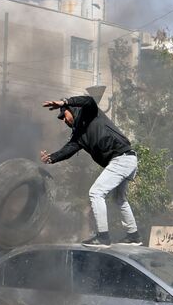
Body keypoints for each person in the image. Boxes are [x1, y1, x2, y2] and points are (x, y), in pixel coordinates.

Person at [40, 95, 141, 246]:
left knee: (96, 192)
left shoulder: (89, 112)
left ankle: (103, 237)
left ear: (71, 110)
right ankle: (134, 236)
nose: (64, 120)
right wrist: (51, 158)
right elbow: (68, 150)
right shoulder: (79, 135)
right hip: (126, 160)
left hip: (122, 158)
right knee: (119, 199)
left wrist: (64, 102)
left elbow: (89, 100)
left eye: (64, 115)